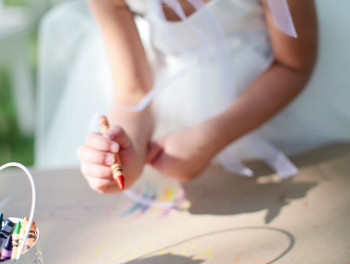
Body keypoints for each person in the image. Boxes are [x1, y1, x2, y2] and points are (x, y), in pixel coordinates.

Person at [35, 0, 350, 194]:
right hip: (167, 88)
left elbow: (293, 64)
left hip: (262, 99)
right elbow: (133, 90)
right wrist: (125, 150)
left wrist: (211, 136)